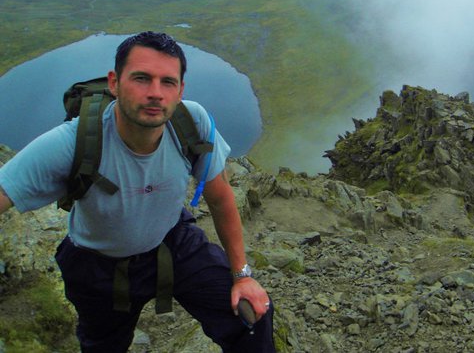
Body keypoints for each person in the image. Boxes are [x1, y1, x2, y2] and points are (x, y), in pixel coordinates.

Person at [0, 31, 275, 353]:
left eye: (167, 82)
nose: (155, 93)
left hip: (172, 241)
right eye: (142, 78)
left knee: (252, 315)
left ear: (180, 90)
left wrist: (242, 275)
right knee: (104, 346)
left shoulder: (192, 122)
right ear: (114, 83)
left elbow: (220, 197)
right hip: (97, 264)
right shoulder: (71, 142)